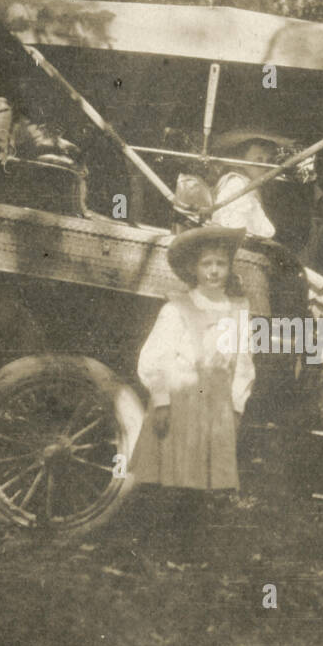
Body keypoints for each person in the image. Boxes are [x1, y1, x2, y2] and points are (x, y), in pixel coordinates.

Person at [129, 226, 254, 492]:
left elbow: (243, 362)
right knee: (173, 480)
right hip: (180, 402)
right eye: (206, 263)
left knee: (204, 484)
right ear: (193, 269)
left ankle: (194, 528)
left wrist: (236, 406)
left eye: (221, 263)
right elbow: (156, 357)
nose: (213, 271)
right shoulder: (177, 308)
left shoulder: (238, 310)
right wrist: (161, 401)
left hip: (217, 406)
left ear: (230, 267)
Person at [208, 133, 283, 238]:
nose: (265, 167)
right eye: (259, 160)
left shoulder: (250, 185)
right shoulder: (236, 185)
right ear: (242, 161)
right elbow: (236, 232)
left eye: (269, 161)